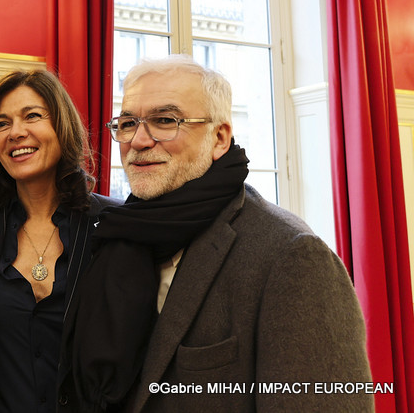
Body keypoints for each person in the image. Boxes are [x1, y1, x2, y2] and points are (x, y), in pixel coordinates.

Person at [59, 56, 373, 412]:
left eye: (166, 120)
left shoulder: (292, 257)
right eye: (128, 123)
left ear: (220, 138)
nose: (139, 140)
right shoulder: (117, 234)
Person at [0, 70, 120, 412]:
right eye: (2, 124)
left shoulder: (110, 222)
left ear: (62, 127)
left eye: (33, 116)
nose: (16, 132)